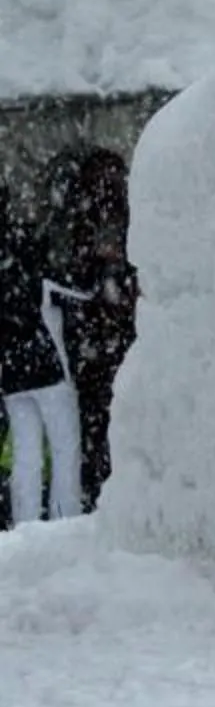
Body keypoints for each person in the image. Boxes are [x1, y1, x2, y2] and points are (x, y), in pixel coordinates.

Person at [54, 151, 137, 510]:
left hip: (100, 342)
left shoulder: (83, 221)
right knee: (108, 420)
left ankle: (103, 490)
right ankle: (108, 489)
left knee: (100, 422)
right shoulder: (110, 218)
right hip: (109, 341)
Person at [0, 183, 81, 525]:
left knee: (25, 453)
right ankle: (67, 519)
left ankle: (26, 523)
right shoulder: (25, 247)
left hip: (9, 372)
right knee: (65, 447)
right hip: (46, 367)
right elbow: (80, 290)